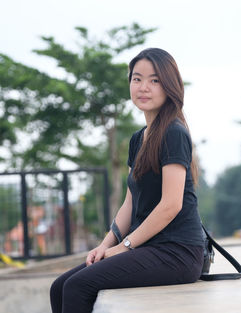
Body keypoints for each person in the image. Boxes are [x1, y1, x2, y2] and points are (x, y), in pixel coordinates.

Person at [50, 48, 204, 313]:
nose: (144, 87)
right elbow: (130, 203)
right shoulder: (138, 139)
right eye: (137, 78)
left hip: (177, 252)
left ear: (170, 86)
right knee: (60, 286)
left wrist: (124, 247)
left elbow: (171, 205)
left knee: (78, 287)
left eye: (155, 80)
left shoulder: (174, 133)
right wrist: (105, 245)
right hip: (149, 247)